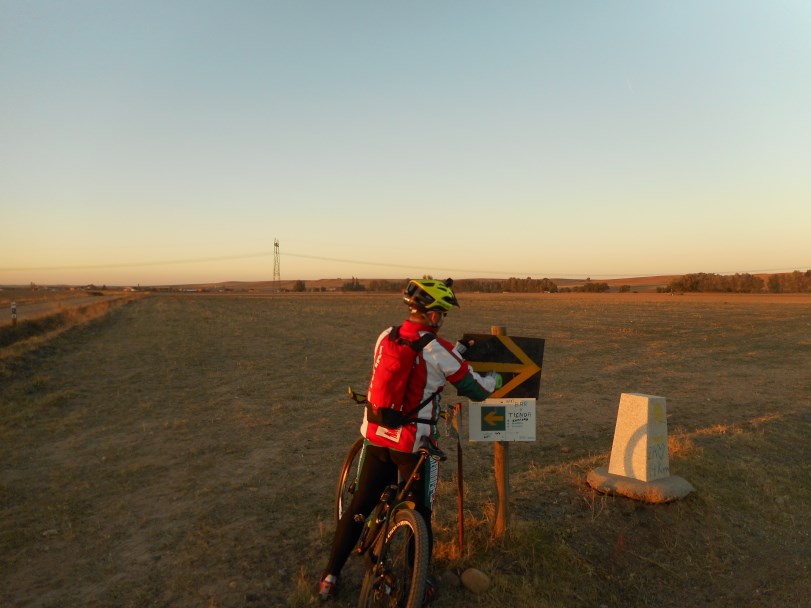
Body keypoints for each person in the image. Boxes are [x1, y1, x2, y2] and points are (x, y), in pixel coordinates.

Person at [318, 278, 500, 603]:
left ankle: (330, 576)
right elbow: (477, 389)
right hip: (413, 446)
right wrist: (497, 378)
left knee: (360, 506)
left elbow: (413, 362)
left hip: (376, 436)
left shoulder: (385, 336)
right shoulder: (440, 350)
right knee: (421, 512)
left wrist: (454, 352)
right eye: (442, 313)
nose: (443, 319)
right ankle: (420, 580)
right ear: (433, 314)